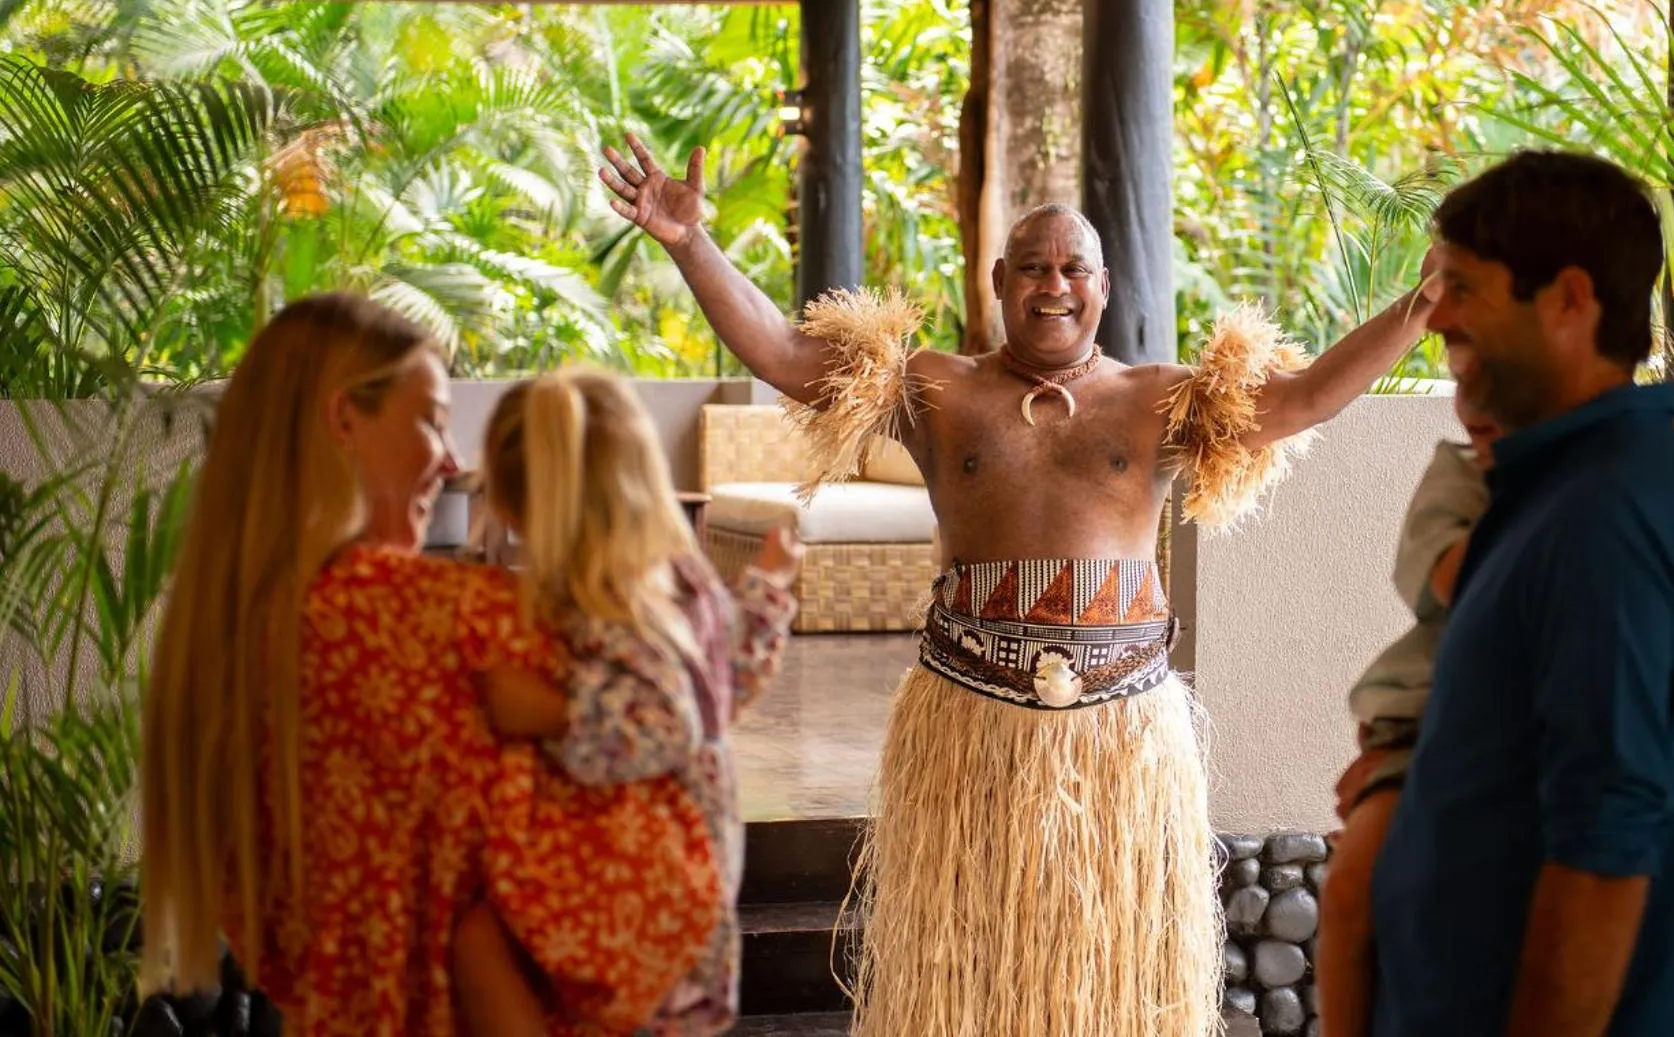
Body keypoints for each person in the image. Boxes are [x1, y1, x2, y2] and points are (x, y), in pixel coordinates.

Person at [599, 136, 1439, 1037]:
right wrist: (690, 242)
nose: (1054, 283)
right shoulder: (935, 388)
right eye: (1033, 266)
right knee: (967, 973)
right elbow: (782, 353)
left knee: (1104, 980)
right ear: (1000, 281)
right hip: (968, 726)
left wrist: (1420, 307)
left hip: (1120, 738)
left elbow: (1305, 397)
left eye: (1075, 267)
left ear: (1104, 287)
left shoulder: (1159, 397)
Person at [1366, 150, 1674, 1037]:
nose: (1441, 320)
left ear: (1571, 299)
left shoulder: (1605, 518)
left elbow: (1602, 861)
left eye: (1465, 286)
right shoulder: (1574, 490)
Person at [140, 293, 552, 1034]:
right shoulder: (406, 615)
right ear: (344, 421)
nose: (454, 458)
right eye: (430, 418)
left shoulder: (232, 639)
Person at [1316, 382, 1674, 1036]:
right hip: (1425, 721)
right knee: (1352, 884)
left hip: (1554, 717)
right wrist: (1566, 489)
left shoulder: (1609, 479)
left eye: (1490, 386)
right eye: (1464, 385)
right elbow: (1454, 578)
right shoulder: (1463, 478)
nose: (1475, 404)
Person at [451, 368, 801, 1037]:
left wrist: (554, 711)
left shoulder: (604, 601)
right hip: (690, 894)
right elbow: (720, 693)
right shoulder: (680, 579)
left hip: (638, 894)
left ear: (520, 508)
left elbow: (669, 720)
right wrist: (768, 591)